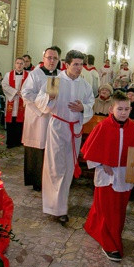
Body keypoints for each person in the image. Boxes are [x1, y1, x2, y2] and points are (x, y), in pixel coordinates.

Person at [81, 91, 134, 261]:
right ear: (112, 109)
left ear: (131, 109)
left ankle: (94, 227)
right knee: (106, 209)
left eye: (127, 109)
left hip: (124, 175)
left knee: (118, 210)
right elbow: (91, 150)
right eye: (120, 109)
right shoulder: (103, 126)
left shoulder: (133, 127)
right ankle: (110, 243)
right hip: (106, 174)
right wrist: (103, 163)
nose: (123, 112)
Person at [36, 50, 94, 223]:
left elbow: (91, 102)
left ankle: (62, 207)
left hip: (74, 130)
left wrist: (83, 108)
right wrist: (49, 97)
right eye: (75, 64)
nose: (78, 68)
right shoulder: (55, 81)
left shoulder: (85, 85)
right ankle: (54, 207)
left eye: (81, 64)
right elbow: (42, 103)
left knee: (68, 168)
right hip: (58, 128)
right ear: (66, 65)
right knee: (55, 168)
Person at [20, 47, 61, 191]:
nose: (51, 61)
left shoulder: (61, 75)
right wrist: (43, 104)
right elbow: (25, 93)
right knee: (37, 149)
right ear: (43, 58)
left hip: (54, 118)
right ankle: (37, 181)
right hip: (38, 118)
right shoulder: (35, 74)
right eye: (49, 57)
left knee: (53, 149)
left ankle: (51, 180)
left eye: (55, 58)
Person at [1, 57, 29, 148]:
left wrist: (23, 93)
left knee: (20, 124)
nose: (19, 65)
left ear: (24, 65)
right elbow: (4, 85)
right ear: (15, 64)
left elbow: (31, 87)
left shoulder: (28, 75)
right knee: (11, 123)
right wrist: (16, 92)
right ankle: (10, 142)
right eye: (18, 63)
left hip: (22, 102)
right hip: (12, 100)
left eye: (21, 63)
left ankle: (19, 141)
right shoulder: (8, 75)